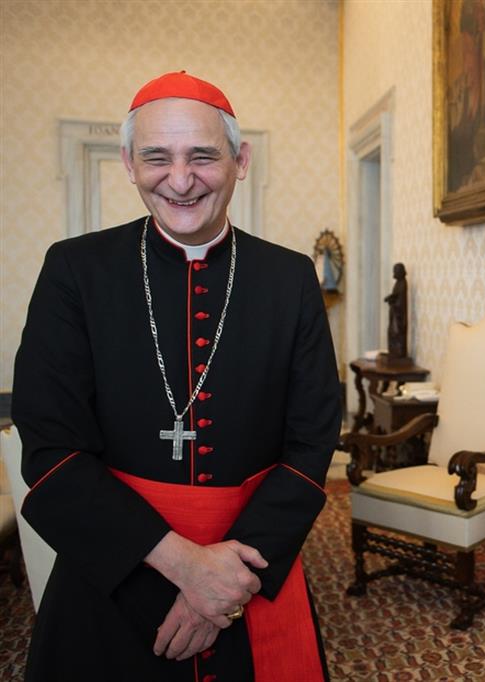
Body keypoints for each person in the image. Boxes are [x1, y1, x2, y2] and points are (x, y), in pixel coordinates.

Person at [12, 71, 342, 681]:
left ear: (240, 160)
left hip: (252, 562)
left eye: (204, 157)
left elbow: (312, 441)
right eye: (157, 158)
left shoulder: (289, 279)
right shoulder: (75, 272)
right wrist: (187, 569)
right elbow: (51, 451)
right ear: (129, 165)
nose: (181, 180)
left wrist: (229, 581)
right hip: (115, 569)